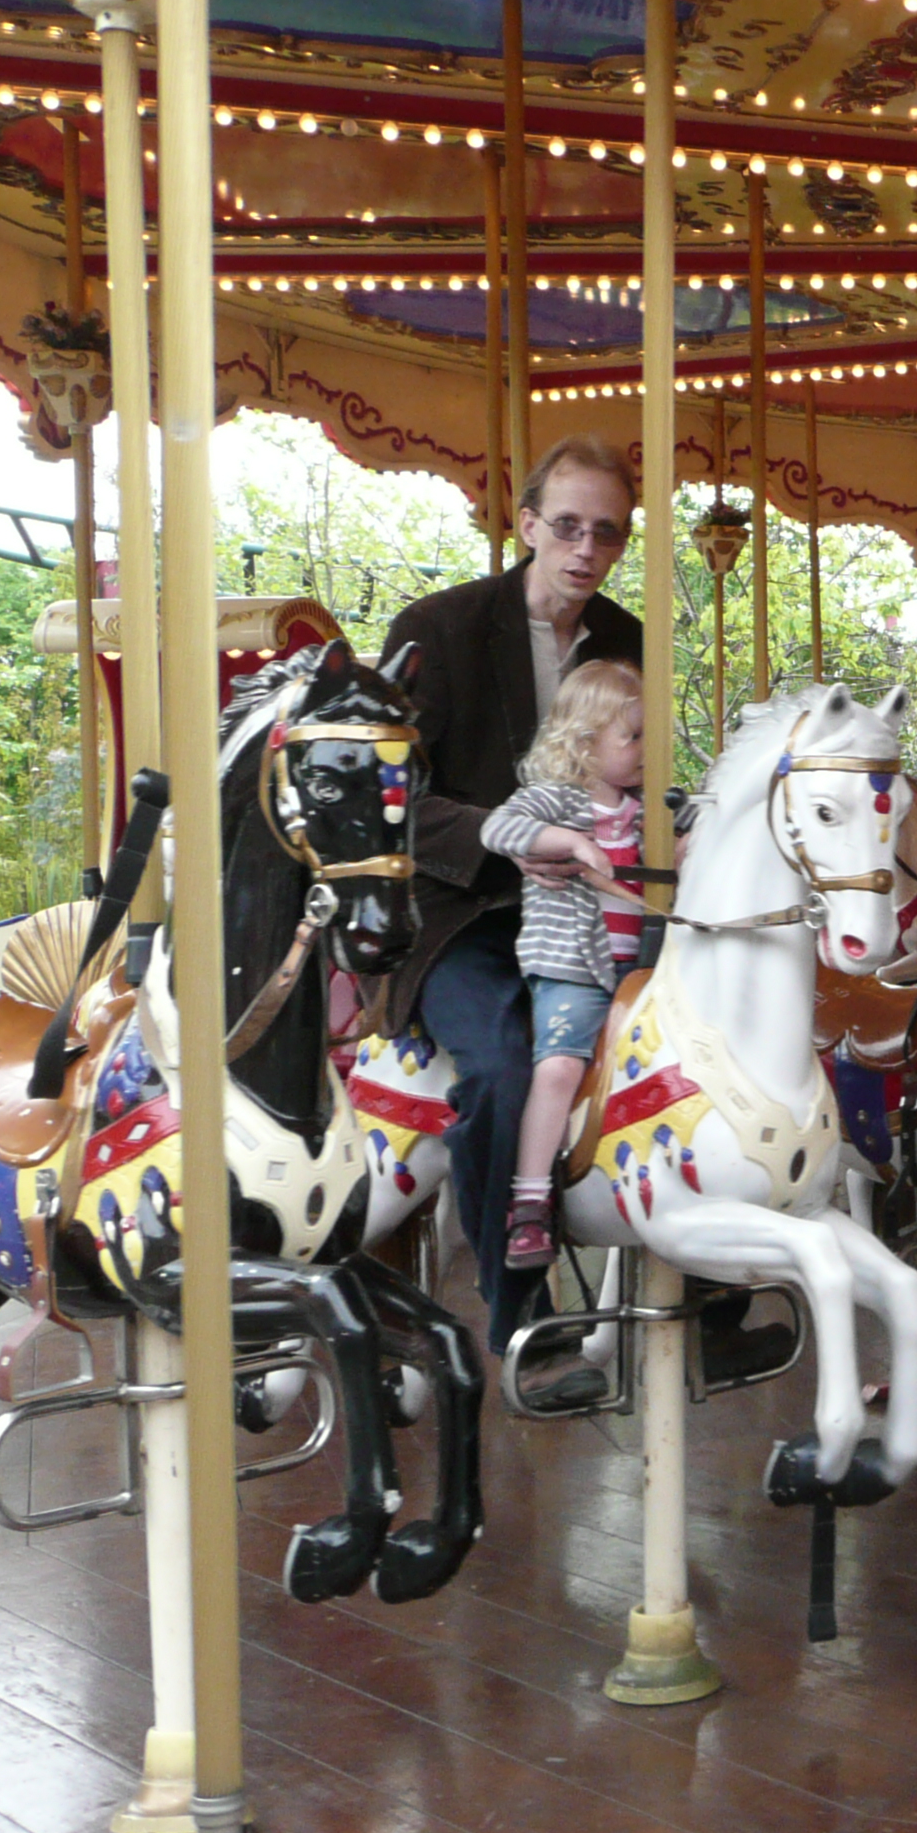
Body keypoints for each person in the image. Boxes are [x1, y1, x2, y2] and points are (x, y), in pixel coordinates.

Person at [380, 436, 643, 1357]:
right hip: (467, 912)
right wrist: (515, 837)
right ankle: (520, 1309)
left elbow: (644, 772)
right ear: (527, 525)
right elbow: (390, 801)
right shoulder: (440, 629)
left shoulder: (626, 640)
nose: (585, 549)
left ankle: (710, 1284)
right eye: (566, 526)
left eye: (606, 533)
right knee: (499, 1068)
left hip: (591, 912)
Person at [480, 660, 647, 1266]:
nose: (646, 749)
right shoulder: (554, 800)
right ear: (585, 742)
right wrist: (572, 842)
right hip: (575, 970)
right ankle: (529, 1201)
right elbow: (499, 829)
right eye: (633, 737)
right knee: (558, 1068)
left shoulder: (647, 809)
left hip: (642, 973)